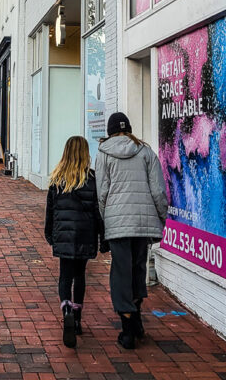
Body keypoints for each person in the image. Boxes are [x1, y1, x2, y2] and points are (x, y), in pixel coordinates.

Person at [95, 112, 168, 350]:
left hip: (118, 222)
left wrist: (106, 220)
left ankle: (128, 328)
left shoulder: (104, 154)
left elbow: (102, 193)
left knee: (121, 272)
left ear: (109, 130)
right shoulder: (146, 151)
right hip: (142, 222)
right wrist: (161, 216)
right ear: (129, 129)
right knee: (138, 269)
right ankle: (136, 318)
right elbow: (158, 190)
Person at [45, 136, 103, 350]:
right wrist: (102, 237)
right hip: (84, 235)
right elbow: (98, 213)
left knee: (64, 276)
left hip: (63, 235)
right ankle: (77, 319)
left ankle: (66, 309)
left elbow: (50, 212)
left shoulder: (57, 179)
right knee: (80, 276)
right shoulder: (91, 179)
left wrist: (49, 234)